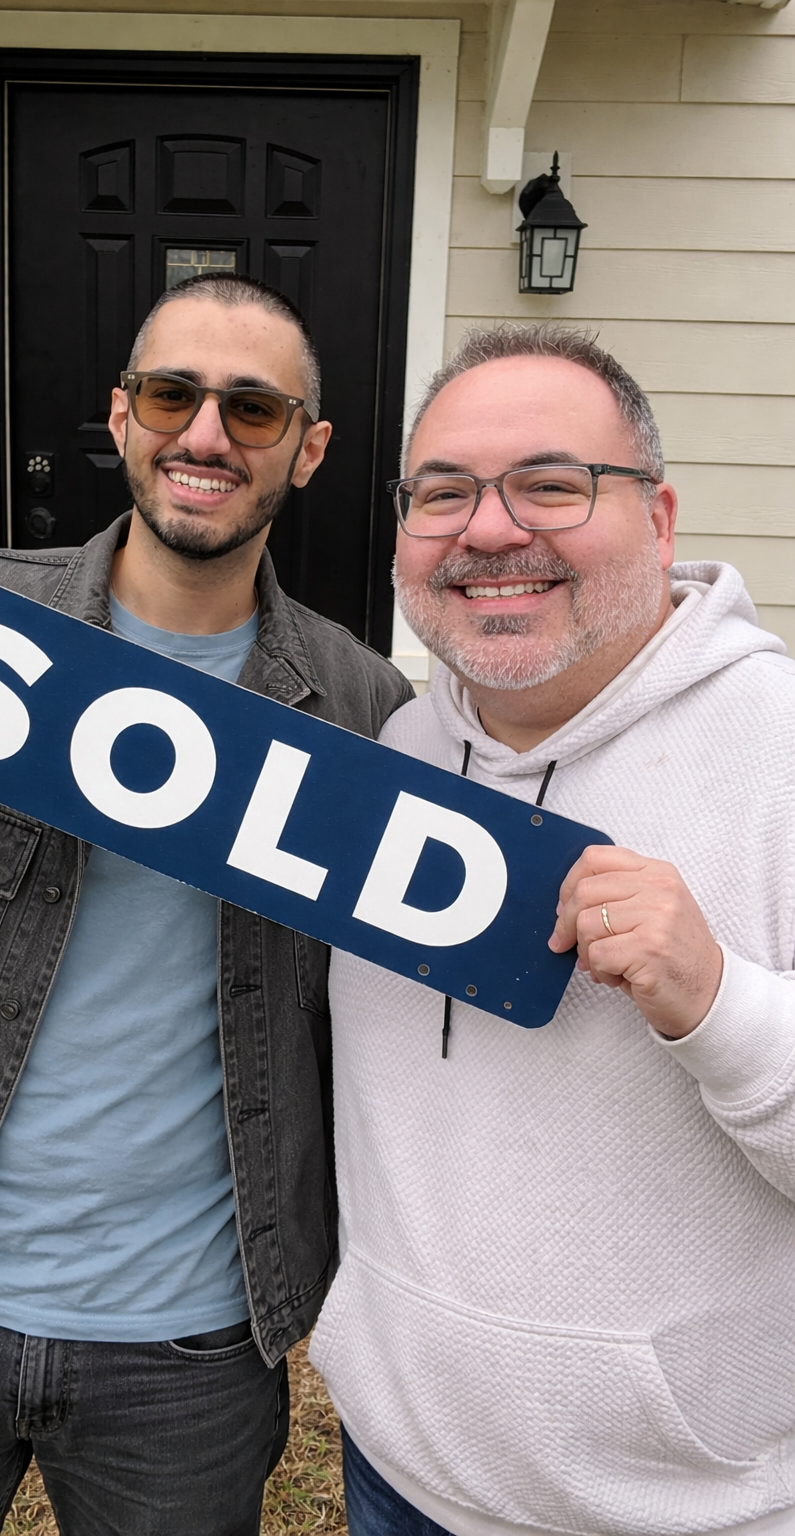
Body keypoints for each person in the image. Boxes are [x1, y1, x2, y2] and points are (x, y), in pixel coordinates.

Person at [0, 272, 413, 1535]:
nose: (207, 435)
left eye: (254, 408)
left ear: (311, 446)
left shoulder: (366, 710)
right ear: (121, 417)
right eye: (173, 394)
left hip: (189, 1347)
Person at [311, 323, 795, 1536]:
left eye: (550, 484)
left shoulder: (778, 751)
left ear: (659, 516)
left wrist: (722, 1003)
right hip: (399, 1470)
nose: (489, 530)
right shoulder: (399, 750)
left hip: (684, 1508)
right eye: (444, 494)